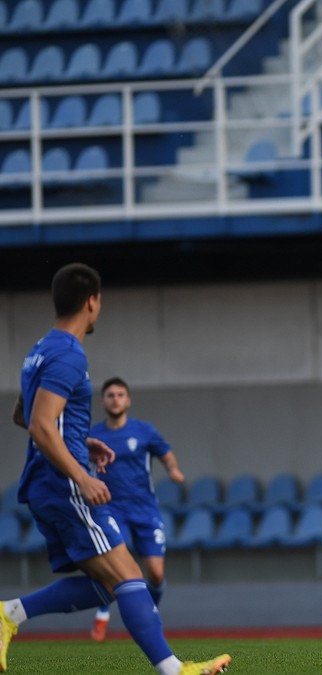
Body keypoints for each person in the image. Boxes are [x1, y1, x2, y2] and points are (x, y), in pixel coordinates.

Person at [1, 263, 230, 675]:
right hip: (63, 484)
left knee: (108, 584)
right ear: (92, 302)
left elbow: (25, 413)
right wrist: (83, 475)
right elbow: (38, 424)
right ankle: (174, 671)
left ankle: (9, 615)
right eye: (100, 301)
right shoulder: (69, 354)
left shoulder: (39, 350)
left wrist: (79, 440)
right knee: (128, 575)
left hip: (44, 482)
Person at [86, 377, 187, 642]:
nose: (115, 399)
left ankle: (148, 616)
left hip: (145, 511)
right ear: (103, 401)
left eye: (120, 395)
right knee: (115, 567)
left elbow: (165, 453)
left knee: (155, 573)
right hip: (110, 510)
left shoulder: (144, 431)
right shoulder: (94, 436)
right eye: (110, 395)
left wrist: (173, 469)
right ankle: (103, 613)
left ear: (128, 400)